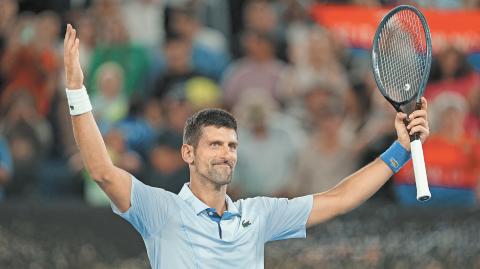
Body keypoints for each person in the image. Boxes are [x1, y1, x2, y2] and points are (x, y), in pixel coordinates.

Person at [63, 24, 430, 268]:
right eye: (215, 145)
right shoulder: (160, 210)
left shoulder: (258, 215)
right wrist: (77, 91)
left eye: (231, 145)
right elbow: (100, 170)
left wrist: (399, 149)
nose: (226, 153)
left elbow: (340, 199)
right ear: (188, 153)